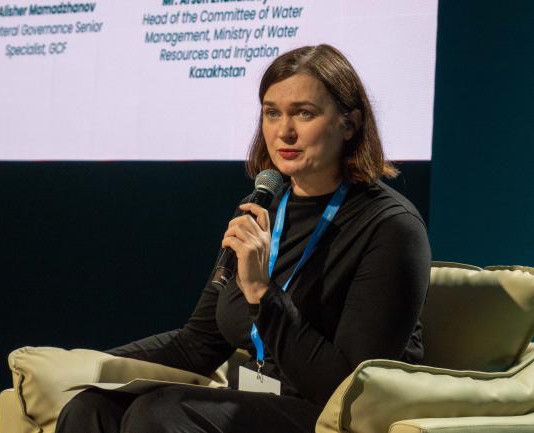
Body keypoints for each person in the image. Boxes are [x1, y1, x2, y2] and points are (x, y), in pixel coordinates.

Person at [55, 44, 431, 433]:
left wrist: (260, 292)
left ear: (349, 124)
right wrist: (90, 367)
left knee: (161, 413)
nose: (284, 131)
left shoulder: (390, 227)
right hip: (262, 400)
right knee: (92, 407)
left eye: (304, 113)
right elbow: (197, 344)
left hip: (334, 414)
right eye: (272, 113)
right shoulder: (261, 209)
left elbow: (351, 389)